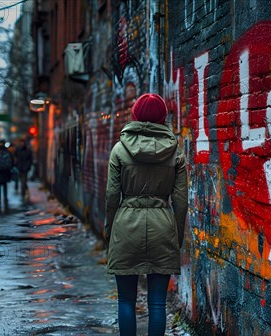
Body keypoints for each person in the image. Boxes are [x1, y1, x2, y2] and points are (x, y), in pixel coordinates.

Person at [105, 93, 188, 336]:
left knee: (126, 300)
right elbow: (181, 202)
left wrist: (110, 231)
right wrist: (177, 237)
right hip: (163, 227)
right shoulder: (176, 152)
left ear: (135, 115)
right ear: (163, 116)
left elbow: (111, 197)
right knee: (157, 303)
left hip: (126, 226)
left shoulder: (119, 150)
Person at [0, 140, 14, 207]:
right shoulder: (7, 152)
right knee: (4, 184)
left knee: (0, 184)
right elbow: (11, 161)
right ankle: (4, 198)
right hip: (4, 170)